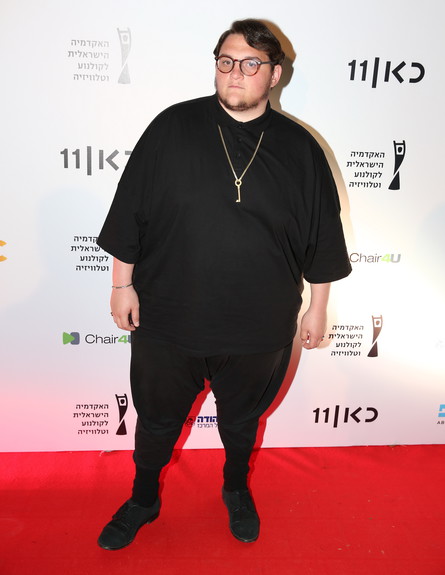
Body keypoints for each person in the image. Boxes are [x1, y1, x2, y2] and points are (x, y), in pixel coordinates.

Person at [96, 18, 351, 550]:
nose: (236, 73)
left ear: (274, 74)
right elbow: (130, 212)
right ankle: (143, 498)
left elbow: (323, 237)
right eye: (227, 61)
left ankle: (235, 489)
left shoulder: (301, 150)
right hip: (168, 318)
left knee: (240, 423)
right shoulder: (171, 128)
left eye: (251, 63)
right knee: (156, 422)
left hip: (259, 325)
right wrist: (122, 286)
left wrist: (317, 307)